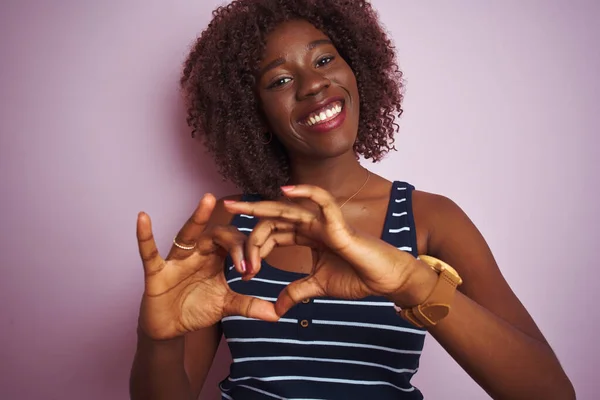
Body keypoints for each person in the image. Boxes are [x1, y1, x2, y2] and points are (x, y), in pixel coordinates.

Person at [129, 1, 575, 399]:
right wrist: (158, 339)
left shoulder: (431, 219)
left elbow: (552, 392)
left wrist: (413, 282)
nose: (313, 84)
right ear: (253, 114)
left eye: (324, 59)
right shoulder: (226, 226)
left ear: (356, 70)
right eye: (280, 80)